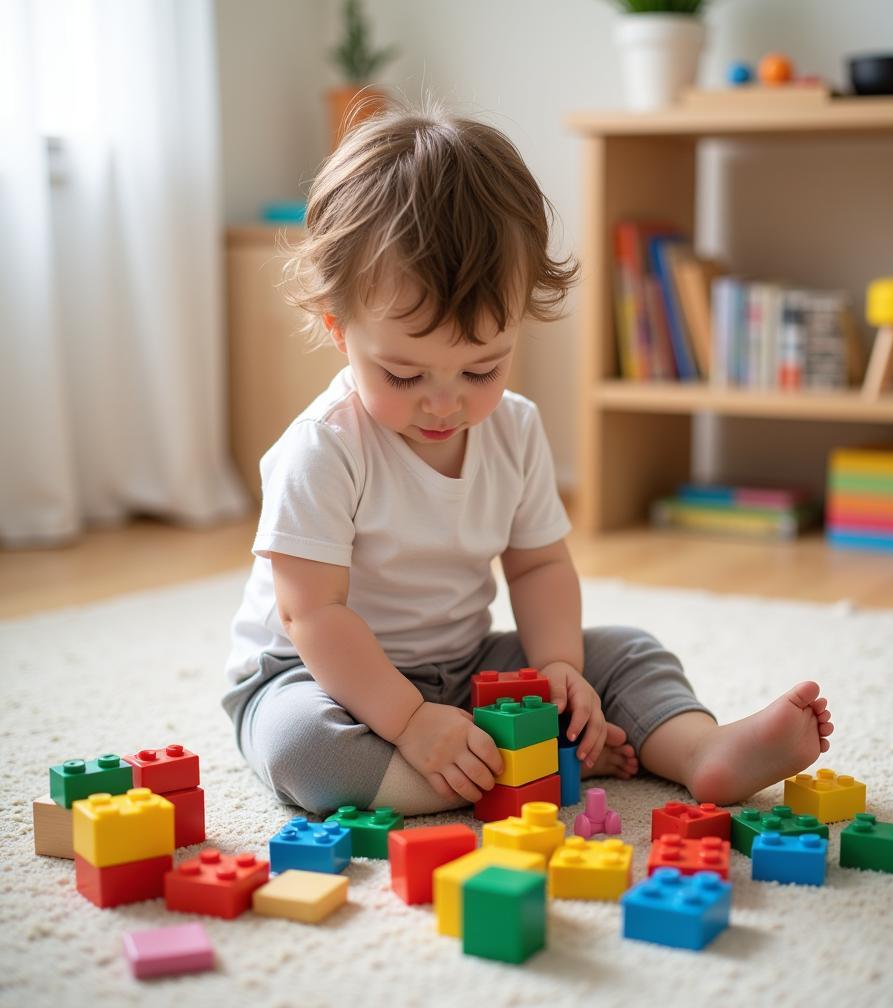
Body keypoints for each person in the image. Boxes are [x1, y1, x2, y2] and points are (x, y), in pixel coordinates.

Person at [223, 101, 833, 817]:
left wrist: (557, 669)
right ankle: (509, 771)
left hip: (463, 666)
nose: (443, 405)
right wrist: (410, 723)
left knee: (627, 652)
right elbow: (313, 618)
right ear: (339, 330)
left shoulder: (514, 429)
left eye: (480, 370)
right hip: (318, 675)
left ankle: (700, 751)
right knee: (302, 748)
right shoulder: (323, 449)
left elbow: (538, 565)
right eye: (404, 375)